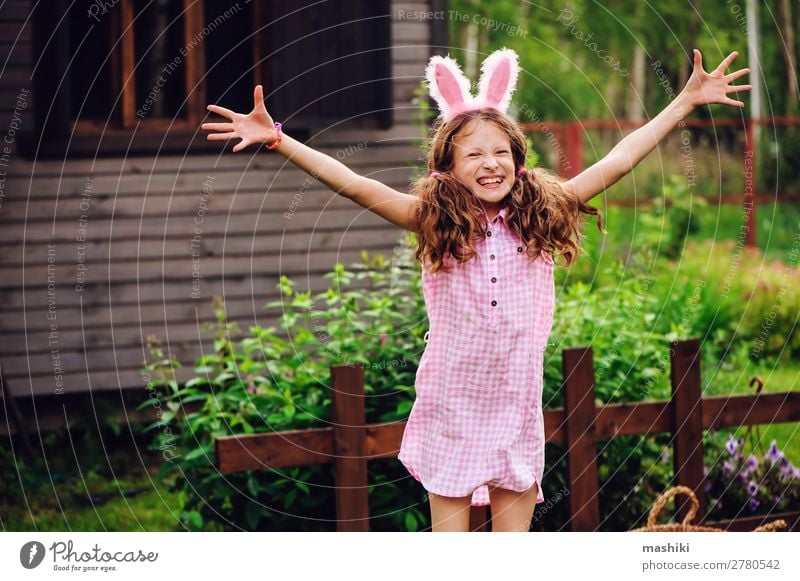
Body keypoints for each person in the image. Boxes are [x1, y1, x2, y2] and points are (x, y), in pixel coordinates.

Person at [202, 47, 750, 532]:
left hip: (516, 405)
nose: (490, 163)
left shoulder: (543, 215)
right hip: (450, 406)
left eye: (500, 152)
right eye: (473, 154)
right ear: (449, 168)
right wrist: (281, 139)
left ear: (517, 157)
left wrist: (683, 104)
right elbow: (358, 185)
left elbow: (620, 158)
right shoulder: (432, 222)